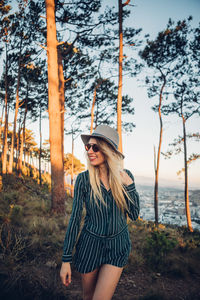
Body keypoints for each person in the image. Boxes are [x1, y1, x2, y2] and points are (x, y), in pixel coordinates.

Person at [60, 125, 140, 300]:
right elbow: (75, 219)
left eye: (95, 147)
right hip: (90, 247)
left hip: (118, 246)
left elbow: (134, 214)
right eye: (88, 146)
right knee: (88, 297)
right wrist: (66, 260)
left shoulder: (125, 177)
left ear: (108, 150)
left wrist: (131, 188)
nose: (90, 151)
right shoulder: (83, 179)